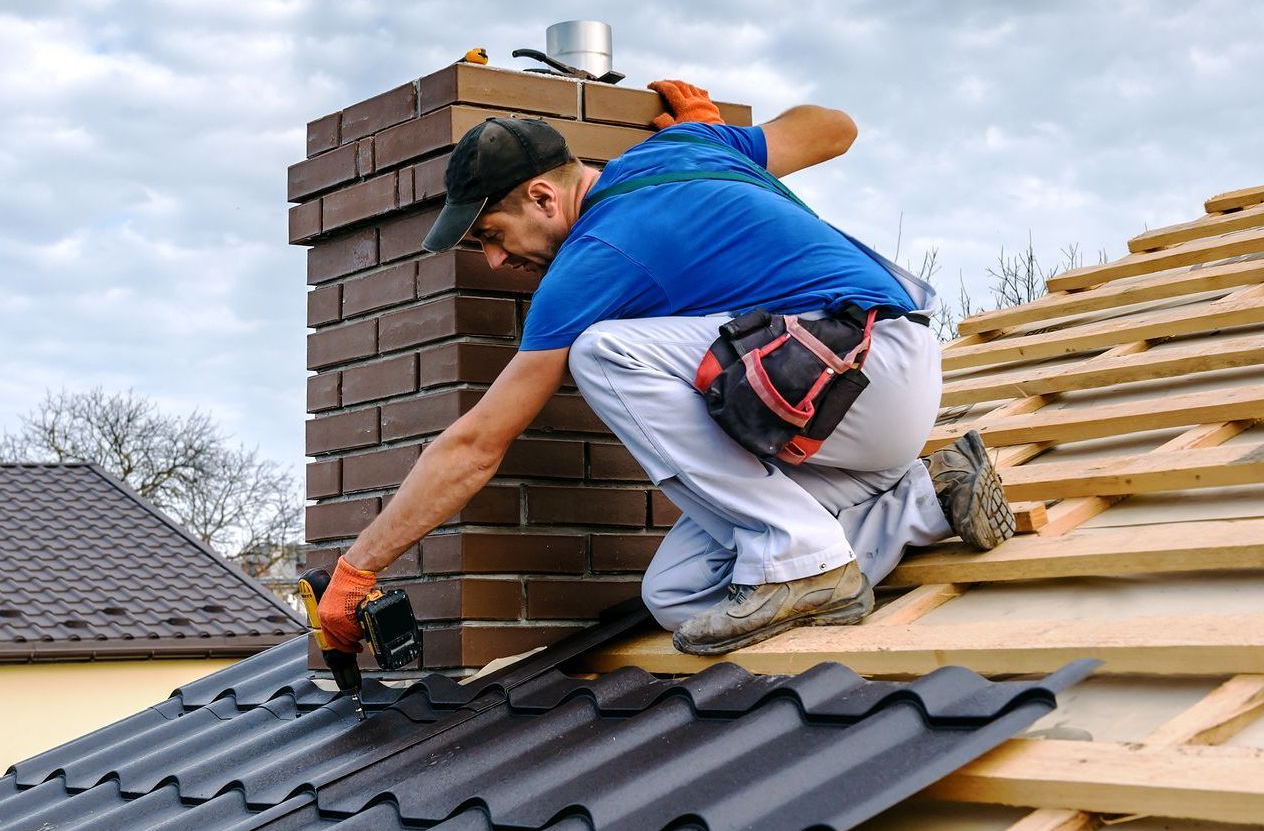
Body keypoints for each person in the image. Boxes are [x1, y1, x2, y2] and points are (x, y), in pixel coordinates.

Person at [316, 80, 1014, 656]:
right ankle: (928, 497)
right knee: (678, 593)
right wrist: (728, 143)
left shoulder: (592, 258)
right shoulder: (689, 145)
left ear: (542, 197)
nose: (496, 262)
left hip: (863, 365)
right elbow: (835, 124)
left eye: (492, 236)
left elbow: (476, 444)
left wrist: (360, 566)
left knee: (604, 350)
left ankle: (804, 556)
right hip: (850, 411)